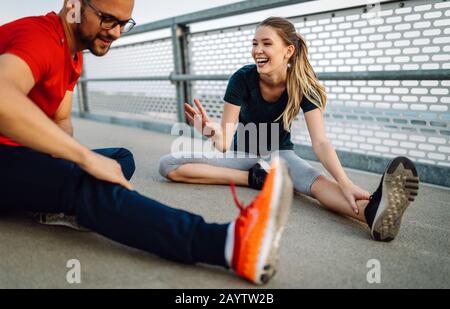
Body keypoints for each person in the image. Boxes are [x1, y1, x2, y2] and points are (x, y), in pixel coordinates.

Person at [0, 0, 295, 285]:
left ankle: (60, 198)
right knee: (88, 183)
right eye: (107, 19)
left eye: (122, 23)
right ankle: (230, 244)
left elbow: (61, 121)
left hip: (17, 153)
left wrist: (66, 164)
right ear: (73, 5)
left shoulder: (72, 55)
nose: (115, 33)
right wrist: (83, 160)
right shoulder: (40, 38)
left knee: (119, 159)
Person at [159, 17, 420, 242]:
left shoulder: (304, 85)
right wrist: (209, 132)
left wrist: (345, 182)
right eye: (254, 43)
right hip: (242, 155)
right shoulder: (242, 78)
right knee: (169, 165)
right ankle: (257, 180)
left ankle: (371, 212)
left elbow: (320, 143)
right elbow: (225, 141)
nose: (257, 50)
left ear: (288, 51)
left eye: (266, 43)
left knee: (315, 184)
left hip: (281, 156)